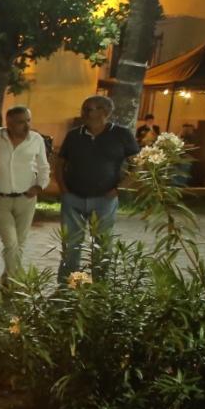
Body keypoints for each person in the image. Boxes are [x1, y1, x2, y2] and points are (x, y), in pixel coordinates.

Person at [56, 94, 140, 283]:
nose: (84, 112)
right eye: (83, 108)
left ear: (105, 112)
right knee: (70, 244)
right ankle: (67, 284)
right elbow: (60, 163)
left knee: (101, 244)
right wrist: (63, 188)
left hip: (105, 198)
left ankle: (100, 284)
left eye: (89, 109)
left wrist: (119, 189)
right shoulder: (74, 135)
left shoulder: (121, 135)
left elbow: (137, 165)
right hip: (73, 197)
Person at [0, 105, 51, 284]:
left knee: (19, 244)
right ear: (9, 123)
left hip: (26, 199)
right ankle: (16, 281)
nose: (26, 125)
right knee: (10, 243)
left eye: (28, 120)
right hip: (0, 199)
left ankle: (8, 279)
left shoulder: (36, 139)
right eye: (21, 122)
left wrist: (39, 186)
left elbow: (43, 166)